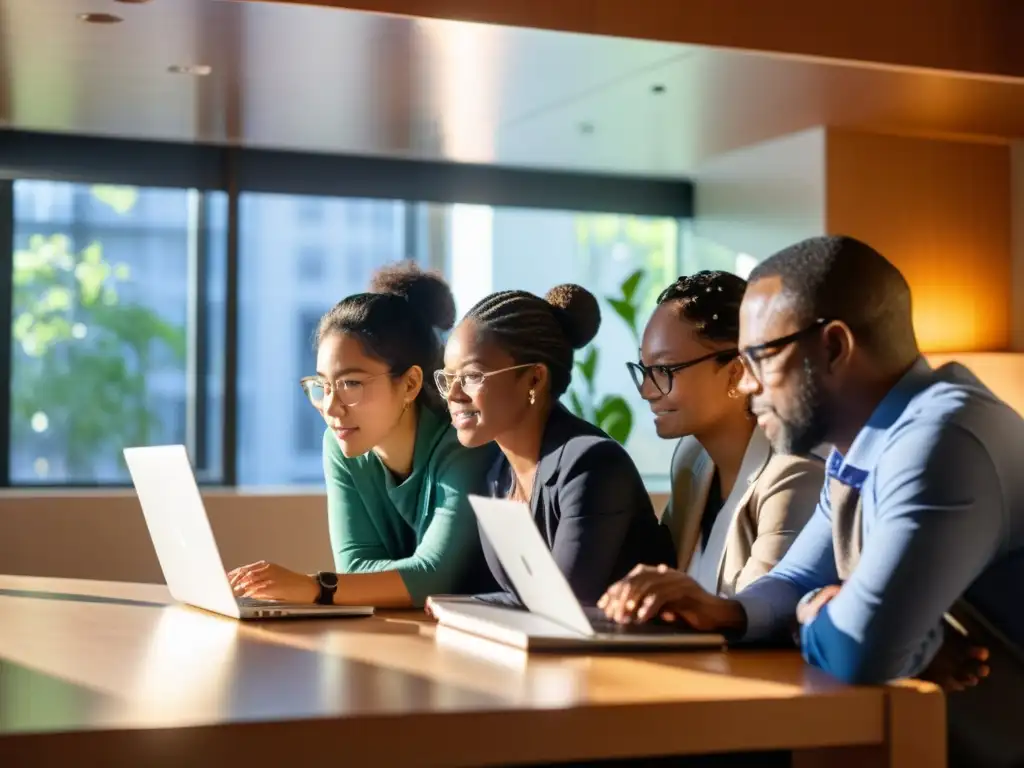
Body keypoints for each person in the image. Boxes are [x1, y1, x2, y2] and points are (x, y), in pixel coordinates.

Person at [600, 235, 1023, 692]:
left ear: (834, 347)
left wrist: (810, 615)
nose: (746, 386)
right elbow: (798, 577)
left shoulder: (942, 443)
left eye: (758, 358)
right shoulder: (855, 448)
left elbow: (858, 649)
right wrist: (726, 611)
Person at [229, 263, 497, 608]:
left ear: (410, 384)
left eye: (351, 384)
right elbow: (354, 568)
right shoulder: (340, 444)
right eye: (323, 385)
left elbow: (434, 576)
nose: (331, 407)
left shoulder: (463, 444)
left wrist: (312, 587)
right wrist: (395, 581)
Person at [435, 283, 676, 606]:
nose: (453, 395)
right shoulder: (497, 474)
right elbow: (520, 598)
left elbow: (561, 605)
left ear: (535, 379)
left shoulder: (592, 464)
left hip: (634, 653)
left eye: (472, 376)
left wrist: (466, 608)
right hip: (555, 650)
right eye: (448, 378)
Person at [629, 271, 823, 597]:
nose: (647, 390)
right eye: (644, 370)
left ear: (737, 373)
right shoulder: (691, 459)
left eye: (664, 370)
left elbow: (753, 616)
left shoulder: (793, 474)